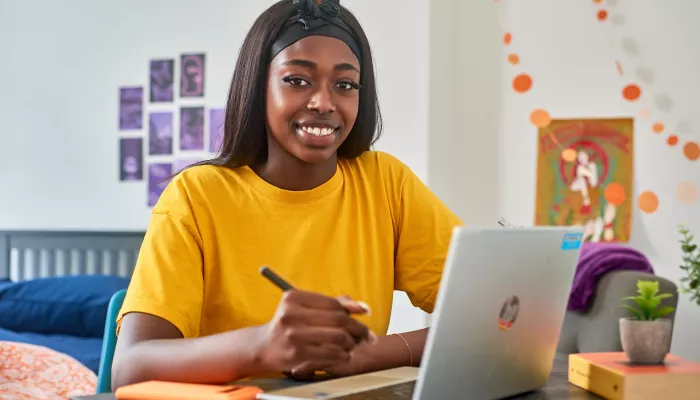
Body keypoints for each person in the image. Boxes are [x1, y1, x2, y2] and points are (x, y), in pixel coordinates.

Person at [111, 0, 462, 390]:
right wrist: (260, 348)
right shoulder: (194, 197)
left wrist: (369, 355)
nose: (324, 103)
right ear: (258, 86)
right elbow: (131, 367)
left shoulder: (385, 182)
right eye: (297, 80)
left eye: (345, 85)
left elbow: (489, 317)